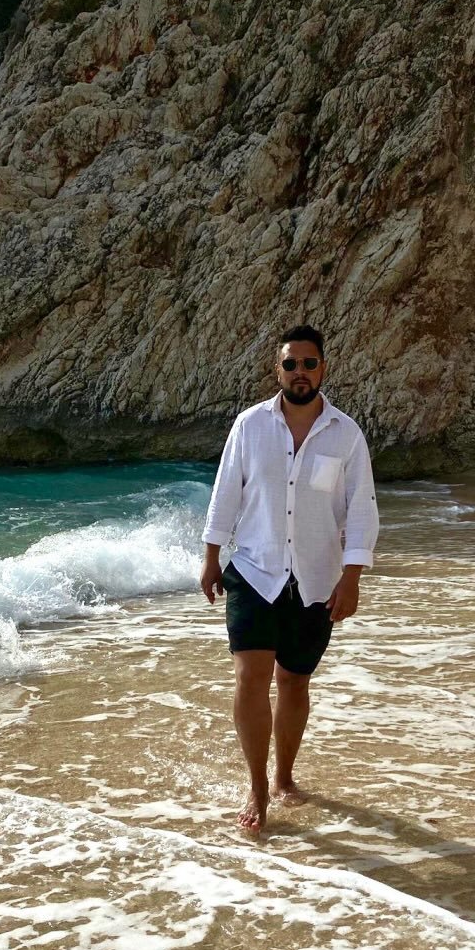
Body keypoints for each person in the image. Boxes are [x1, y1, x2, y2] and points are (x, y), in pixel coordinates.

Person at [200, 324, 379, 833]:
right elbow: (226, 492)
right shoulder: (250, 425)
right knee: (250, 678)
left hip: (316, 579)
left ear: (323, 368)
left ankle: (284, 777)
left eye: (309, 363)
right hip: (253, 571)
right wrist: (211, 556)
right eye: (290, 364)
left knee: (295, 681)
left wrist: (352, 576)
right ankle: (257, 788)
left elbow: (361, 509)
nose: (300, 372)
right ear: (277, 370)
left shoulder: (346, 434)